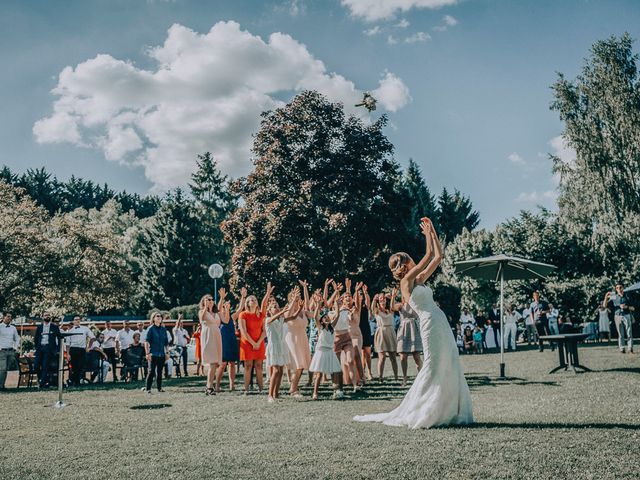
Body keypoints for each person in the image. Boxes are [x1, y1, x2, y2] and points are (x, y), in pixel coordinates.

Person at [354, 217, 473, 428]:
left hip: (440, 321)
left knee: (450, 359)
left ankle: (449, 410)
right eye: (408, 259)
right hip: (429, 323)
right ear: (402, 264)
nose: (411, 260)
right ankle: (426, 410)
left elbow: (438, 256)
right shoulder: (405, 282)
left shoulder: (419, 280)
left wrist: (433, 232)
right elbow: (427, 255)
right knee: (433, 363)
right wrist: (426, 234)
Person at [239, 283, 274, 394]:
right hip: (247, 343)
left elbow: (264, 331)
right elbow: (243, 331)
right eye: (251, 300)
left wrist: (258, 342)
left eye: (254, 299)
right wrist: (252, 343)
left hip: (259, 343)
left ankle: (261, 389)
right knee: (248, 366)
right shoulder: (243, 315)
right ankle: (246, 389)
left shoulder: (261, 314)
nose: (253, 301)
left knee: (259, 366)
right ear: (247, 303)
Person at [265, 296, 300, 402]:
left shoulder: (281, 320)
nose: (276, 308)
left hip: (281, 347)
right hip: (273, 347)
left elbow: (293, 317)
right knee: (275, 371)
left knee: (280, 371)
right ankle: (270, 395)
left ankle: (276, 393)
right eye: (274, 307)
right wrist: (283, 311)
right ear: (269, 310)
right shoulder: (268, 320)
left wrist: (300, 308)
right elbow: (272, 319)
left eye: (277, 306)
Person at [284, 284, 312, 397]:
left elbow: (315, 315)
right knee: (298, 365)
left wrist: (319, 304)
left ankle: (293, 387)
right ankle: (293, 389)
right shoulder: (287, 310)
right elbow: (287, 317)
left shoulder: (304, 311)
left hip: (303, 338)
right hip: (292, 339)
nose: (297, 300)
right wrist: (293, 301)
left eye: (298, 298)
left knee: (302, 365)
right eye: (295, 298)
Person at [309, 304, 342, 400]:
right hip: (321, 352)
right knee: (319, 374)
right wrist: (318, 306)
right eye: (324, 318)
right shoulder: (321, 328)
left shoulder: (332, 328)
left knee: (334, 371)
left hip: (330, 352)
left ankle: (335, 390)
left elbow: (338, 315)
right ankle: (315, 393)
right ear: (322, 321)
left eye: (328, 317)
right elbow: (315, 317)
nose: (326, 319)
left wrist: (337, 305)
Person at [391, 289, 423, 386]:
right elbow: (392, 307)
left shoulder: (416, 304)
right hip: (404, 330)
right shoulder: (401, 305)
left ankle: (421, 377)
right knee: (403, 356)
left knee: (417, 357)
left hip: (414, 329)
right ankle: (405, 378)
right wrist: (393, 296)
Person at [199, 292, 224, 395]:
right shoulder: (202, 311)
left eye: (211, 299)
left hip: (217, 336)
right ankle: (209, 387)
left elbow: (225, 320)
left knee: (215, 364)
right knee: (212, 363)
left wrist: (222, 298)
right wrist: (205, 307)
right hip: (208, 336)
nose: (210, 301)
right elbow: (201, 319)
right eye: (208, 299)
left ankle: (209, 386)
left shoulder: (216, 313)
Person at [218, 289, 242, 390]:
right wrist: (222, 298)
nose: (224, 308)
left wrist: (243, 297)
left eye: (226, 306)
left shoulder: (232, 317)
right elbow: (218, 308)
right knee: (223, 364)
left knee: (232, 363)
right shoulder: (219, 319)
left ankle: (232, 384)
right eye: (224, 307)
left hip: (231, 341)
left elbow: (240, 309)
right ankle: (217, 384)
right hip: (223, 343)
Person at [372, 291, 398, 382]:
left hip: (390, 332)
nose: (382, 300)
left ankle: (396, 377)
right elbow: (372, 308)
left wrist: (392, 297)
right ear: (379, 301)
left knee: (393, 357)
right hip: (381, 333)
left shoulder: (390, 309)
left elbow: (393, 306)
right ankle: (380, 377)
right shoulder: (377, 310)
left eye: (384, 299)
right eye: (380, 299)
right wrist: (374, 300)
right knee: (382, 357)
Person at [34, 312, 62, 389]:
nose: (47, 316)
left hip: (49, 349)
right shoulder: (39, 327)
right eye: (46, 315)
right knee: (36, 366)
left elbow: (60, 338)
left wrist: (58, 349)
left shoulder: (54, 327)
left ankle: (42, 383)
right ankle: (42, 379)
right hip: (40, 348)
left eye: (48, 315)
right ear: (42, 317)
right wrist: (37, 347)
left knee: (45, 366)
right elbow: (36, 338)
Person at [604, 283, 635, 353]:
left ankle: (630, 348)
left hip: (626, 315)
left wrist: (626, 307)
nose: (619, 289)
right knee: (620, 334)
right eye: (617, 288)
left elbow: (633, 308)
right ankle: (622, 348)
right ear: (616, 289)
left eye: (620, 287)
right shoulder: (614, 297)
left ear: (623, 288)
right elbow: (604, 306)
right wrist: (606, 297)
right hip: (617, 316)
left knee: (629, 333)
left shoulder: (627, 296)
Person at [65, 316, 95, 386]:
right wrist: (68, 354)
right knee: (74, 367)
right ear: (73, 321)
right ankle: (76, 382)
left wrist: (89, 347)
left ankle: (73, 380)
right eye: (76, 320)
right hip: (73, 350)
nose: (77, 321)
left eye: (79, 319)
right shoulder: (70, 331)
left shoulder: (85, 329)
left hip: (82, 349)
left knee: (81, 366)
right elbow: (67, 344)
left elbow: (93, 337)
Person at [144, 312, 169, 393]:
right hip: (152, 354)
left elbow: (166, 343)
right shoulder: (150, 329)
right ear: (153, 318)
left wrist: (167, 353)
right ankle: (148, 389)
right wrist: (147, 353)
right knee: (151, 371)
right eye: (157, 316)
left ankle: (159, 388)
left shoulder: (163, 329)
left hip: (161, 354)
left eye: (160, 316)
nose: (159, 317)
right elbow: (146, 342)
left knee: (159, 372)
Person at [0, 312, 20, 390]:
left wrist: (15, 347)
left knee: (7, 369)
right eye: (8, 316)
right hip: (2, 351)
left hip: (11, 351)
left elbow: (17, 338)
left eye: (10, 317)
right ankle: (0, 386)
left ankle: (3, 385)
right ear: (3, 317)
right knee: (2, 368)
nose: (9, 318)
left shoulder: (13, 328)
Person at [358, 284, 374, 381]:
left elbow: (368, 302)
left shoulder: (365, 306)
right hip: (357, 331)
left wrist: (365, 292)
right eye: (359, 294)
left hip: (366, 329)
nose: (360, 296)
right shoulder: (354, 306)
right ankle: (361, 372)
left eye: (361, 295)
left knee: (367, 352)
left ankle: (369, 372)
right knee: (359, 353)